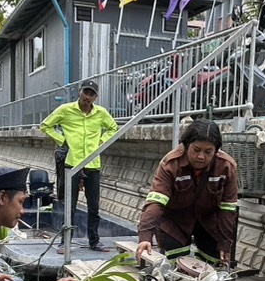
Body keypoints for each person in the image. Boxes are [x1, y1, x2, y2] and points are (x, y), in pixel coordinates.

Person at [136, 119, 239, 265]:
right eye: (196, 150)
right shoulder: (170, 164)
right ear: (186, 146)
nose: (201, 156)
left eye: (208, 152)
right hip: (175, 222)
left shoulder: (227, 166)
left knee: (213, 263)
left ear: (216, 151)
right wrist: (145, 237)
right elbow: (156, 202)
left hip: (209, 222)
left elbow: (228, 209)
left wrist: (225, 242)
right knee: (177, 264)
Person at [40, 80, 118, 250]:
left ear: (96, 97)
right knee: (70, 206)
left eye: (91, 94)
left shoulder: (101, 113)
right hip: (72, 163)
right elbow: (45, 125)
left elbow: (113, 128)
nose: (87, 97)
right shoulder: (65, 110)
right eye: (85, 92)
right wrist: (62, 140)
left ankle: (94, 241)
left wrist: (102, 141)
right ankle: (65, 242)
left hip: (93, 164)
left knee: (94, 207)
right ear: (79, 92)